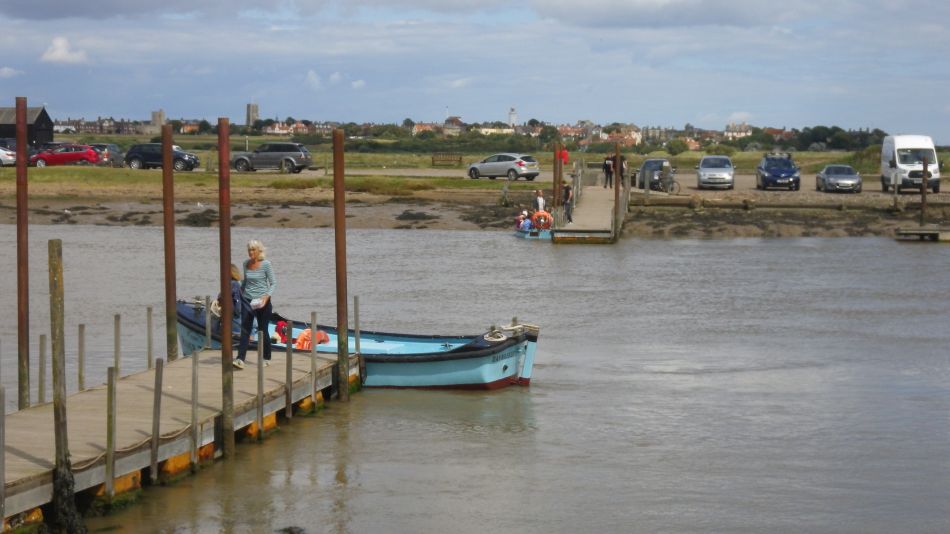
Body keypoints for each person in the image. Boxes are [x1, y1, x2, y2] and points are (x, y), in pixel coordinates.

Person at [234, 239, 277, 370]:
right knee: (245, 330)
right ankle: (240, 359)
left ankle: (266, 357)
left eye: (253, 250)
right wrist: (238, 291)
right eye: (249, 250)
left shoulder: (266, 264)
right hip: (248, 301)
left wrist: (266, 296)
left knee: (262, 330)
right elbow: (246, 282)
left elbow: (273, 283)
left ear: (259, 251)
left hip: (263, 302)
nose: (251, 252)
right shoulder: (245, 264)